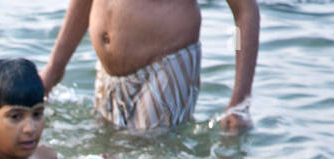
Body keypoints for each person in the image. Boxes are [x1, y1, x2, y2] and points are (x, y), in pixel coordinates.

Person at [39, 0, 259, 133]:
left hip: (166, 65)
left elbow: (244, 11)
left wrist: (240, 100)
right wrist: (54, 69)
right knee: (105, 156)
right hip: (107, 73)